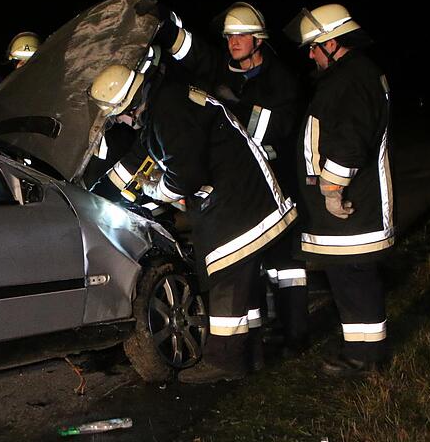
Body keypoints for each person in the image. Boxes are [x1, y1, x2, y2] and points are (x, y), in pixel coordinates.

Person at [121, 0, 308, 362]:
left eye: (241, 37)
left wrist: (225, 119)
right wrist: (152, 11)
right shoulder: (221, 71)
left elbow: (273, 129)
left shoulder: (281, 81)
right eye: (229, 37)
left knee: (286, 270)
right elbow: (186, 48)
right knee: (246, 271)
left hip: (276, 181)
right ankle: (253, 343)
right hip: (240, 183)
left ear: (259, 40)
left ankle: (294, 336)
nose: (232, 43)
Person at [89, 58, 297, 384]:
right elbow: (136, 160)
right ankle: (250, 355)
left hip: (238, 203)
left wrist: (155, 189)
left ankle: (223, 361)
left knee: (226, 279)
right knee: (242, 284)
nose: (123, 122)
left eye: (119, 115)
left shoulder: (167, 112)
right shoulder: (164, 103)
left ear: (128, 105)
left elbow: (184, 175)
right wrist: (96, 194)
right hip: (242, 198)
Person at [283, 3, 395, 377]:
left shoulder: (351, 78)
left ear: (334, 42)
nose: (311, 53)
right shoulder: (351, 75)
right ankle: (360, 351)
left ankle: (367, 357)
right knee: (348, 279)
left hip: (353, 203)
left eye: (315, 45)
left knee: (355, 278)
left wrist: (332, 187)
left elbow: (349, 140)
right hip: (351, 204)